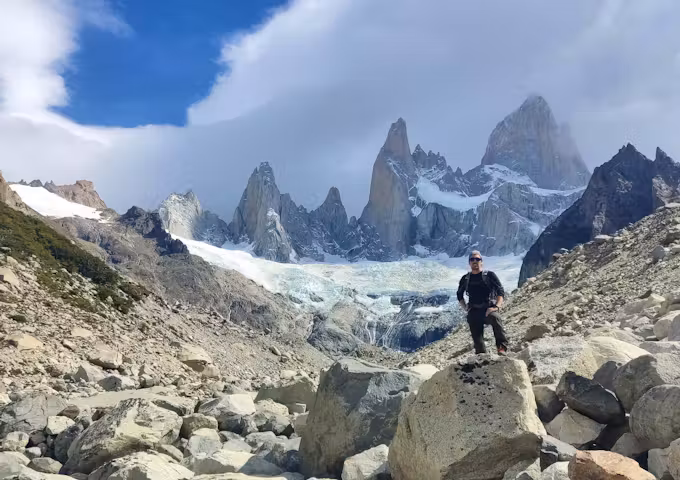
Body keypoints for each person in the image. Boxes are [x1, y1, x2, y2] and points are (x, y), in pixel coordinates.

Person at [456, 250, 509, 354]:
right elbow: (459, 294)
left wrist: (497, 307)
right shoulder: (466, 278)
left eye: (477, 259)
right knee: (478, 341)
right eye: (472, 259)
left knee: (496, 318)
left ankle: (502, 348)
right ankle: (481, 357)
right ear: (469, 262)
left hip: (488, 309)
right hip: (474, 311)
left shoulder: (489, 275)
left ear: (481, 261)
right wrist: (465, 307)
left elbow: (500, 291)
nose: (475, 261)